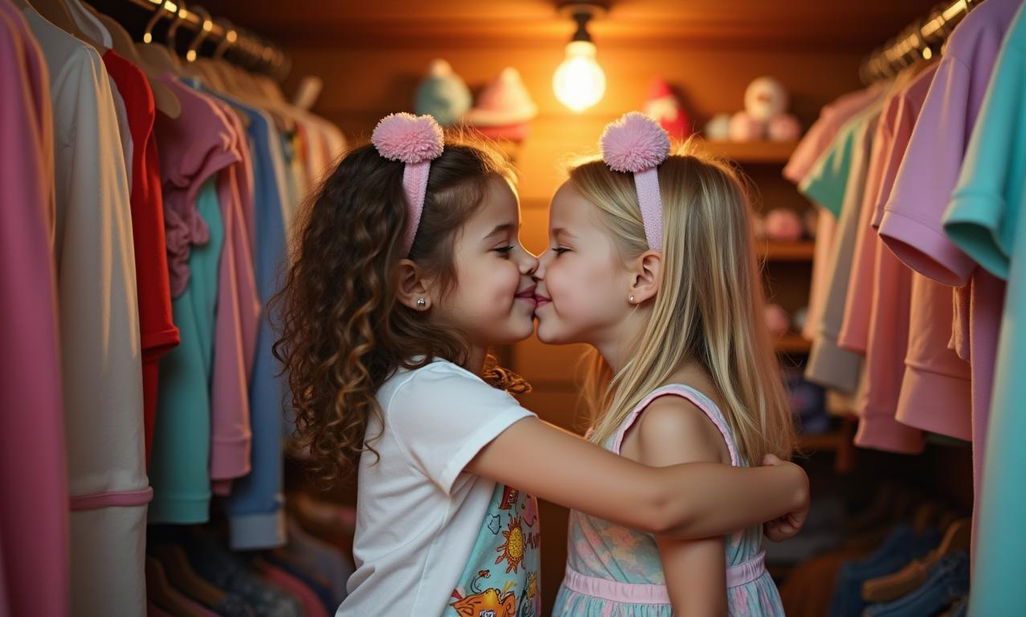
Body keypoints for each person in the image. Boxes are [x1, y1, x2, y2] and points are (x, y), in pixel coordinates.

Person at [273, 113, 808, 617]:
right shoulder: (432, 396)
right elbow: (660, 501)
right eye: (503, 248)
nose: (532, 264)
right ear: (416, 284)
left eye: (551, 246)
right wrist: (786, 488)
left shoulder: (451, 391)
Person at [535, 112, 794, 616]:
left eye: (561, 247)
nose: (537, 265)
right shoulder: (657, 403)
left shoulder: (669, 421)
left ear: (643, 276)